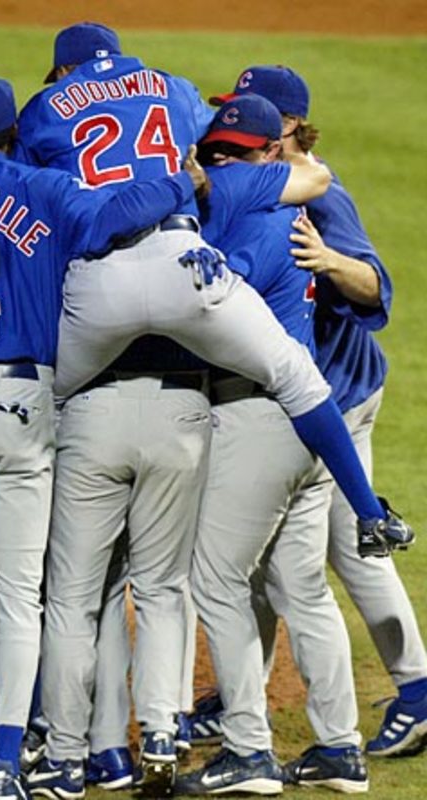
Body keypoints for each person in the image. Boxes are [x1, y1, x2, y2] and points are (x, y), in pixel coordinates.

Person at [0, 75, 208, 800]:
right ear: (10, 130)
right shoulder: (47, 188)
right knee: (23, 591)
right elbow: (123, 214)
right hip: (27, 401)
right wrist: (178, 180)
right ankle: (6, 764)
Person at [11, 22, 411, 566]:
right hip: (185, 270)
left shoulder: (45, 111)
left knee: (37, 397)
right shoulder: (188, 117)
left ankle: (8, 539)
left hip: (99, 282)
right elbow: (311, 177)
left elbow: (23, 186)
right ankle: (371, 515)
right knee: (297, 376)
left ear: (61, 72)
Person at [202, 64, 427, 765]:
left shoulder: (323, 194)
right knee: (280, 558)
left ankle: (417, 690)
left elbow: (375, 288)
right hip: (305, 394)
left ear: (292, 126)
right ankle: (256, 698)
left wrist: (330, 260)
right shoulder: (264, 179)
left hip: (338, 395)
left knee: (348, 546)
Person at [172, 95, 366, 796]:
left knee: (216, 579)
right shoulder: (282, 203)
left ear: (263, 156)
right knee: (299, 586)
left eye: (231, 153)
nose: (220, 163)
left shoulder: (256, 223)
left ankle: (249, 750)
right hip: (308, 421)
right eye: (213, 152)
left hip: (262, 418)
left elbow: (215, 302)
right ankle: (341, 747)